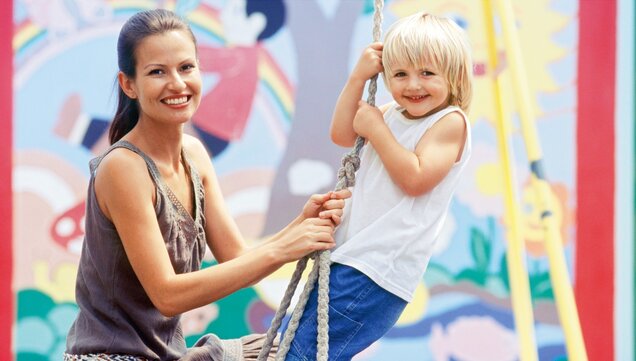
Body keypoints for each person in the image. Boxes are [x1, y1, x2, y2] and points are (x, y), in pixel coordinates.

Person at [64, 9, 350, 361]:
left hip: (166, 355)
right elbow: (168, 295)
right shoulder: (123, 168)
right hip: (111, 357)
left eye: (186, 67)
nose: (177, 84)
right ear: (129, 84)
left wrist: (300, 226)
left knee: (293, 347)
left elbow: (238, 259)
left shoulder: (194, 154)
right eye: (157, 72)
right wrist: (285, 247)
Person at [279, 12, 473, 360]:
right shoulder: (390, 114)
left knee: (303, 353)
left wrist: (377, 129)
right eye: (400, 74)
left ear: (454, 75)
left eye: (426, 73)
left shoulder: (450, 122)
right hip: (352, 256)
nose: (412, 85)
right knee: (291, 344)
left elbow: (415, 178)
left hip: (378, 270)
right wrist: (357, 78)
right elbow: (341, 133)